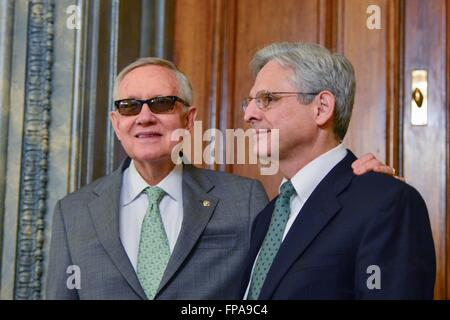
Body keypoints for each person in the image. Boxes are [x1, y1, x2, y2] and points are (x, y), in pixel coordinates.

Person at [46, 57, 392, 299]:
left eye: (163, 103)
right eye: (129, 106)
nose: (145, 117)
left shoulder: (243, 200)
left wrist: (353, 187)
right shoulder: (72, 213)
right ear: (116, 123)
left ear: (188, 118)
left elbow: (284, 276)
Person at [240, 42, 436, 300]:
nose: (249, 115)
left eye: (267, 99)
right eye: (250, 102)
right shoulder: (267, 218)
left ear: (321, 108)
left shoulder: (387, 203)